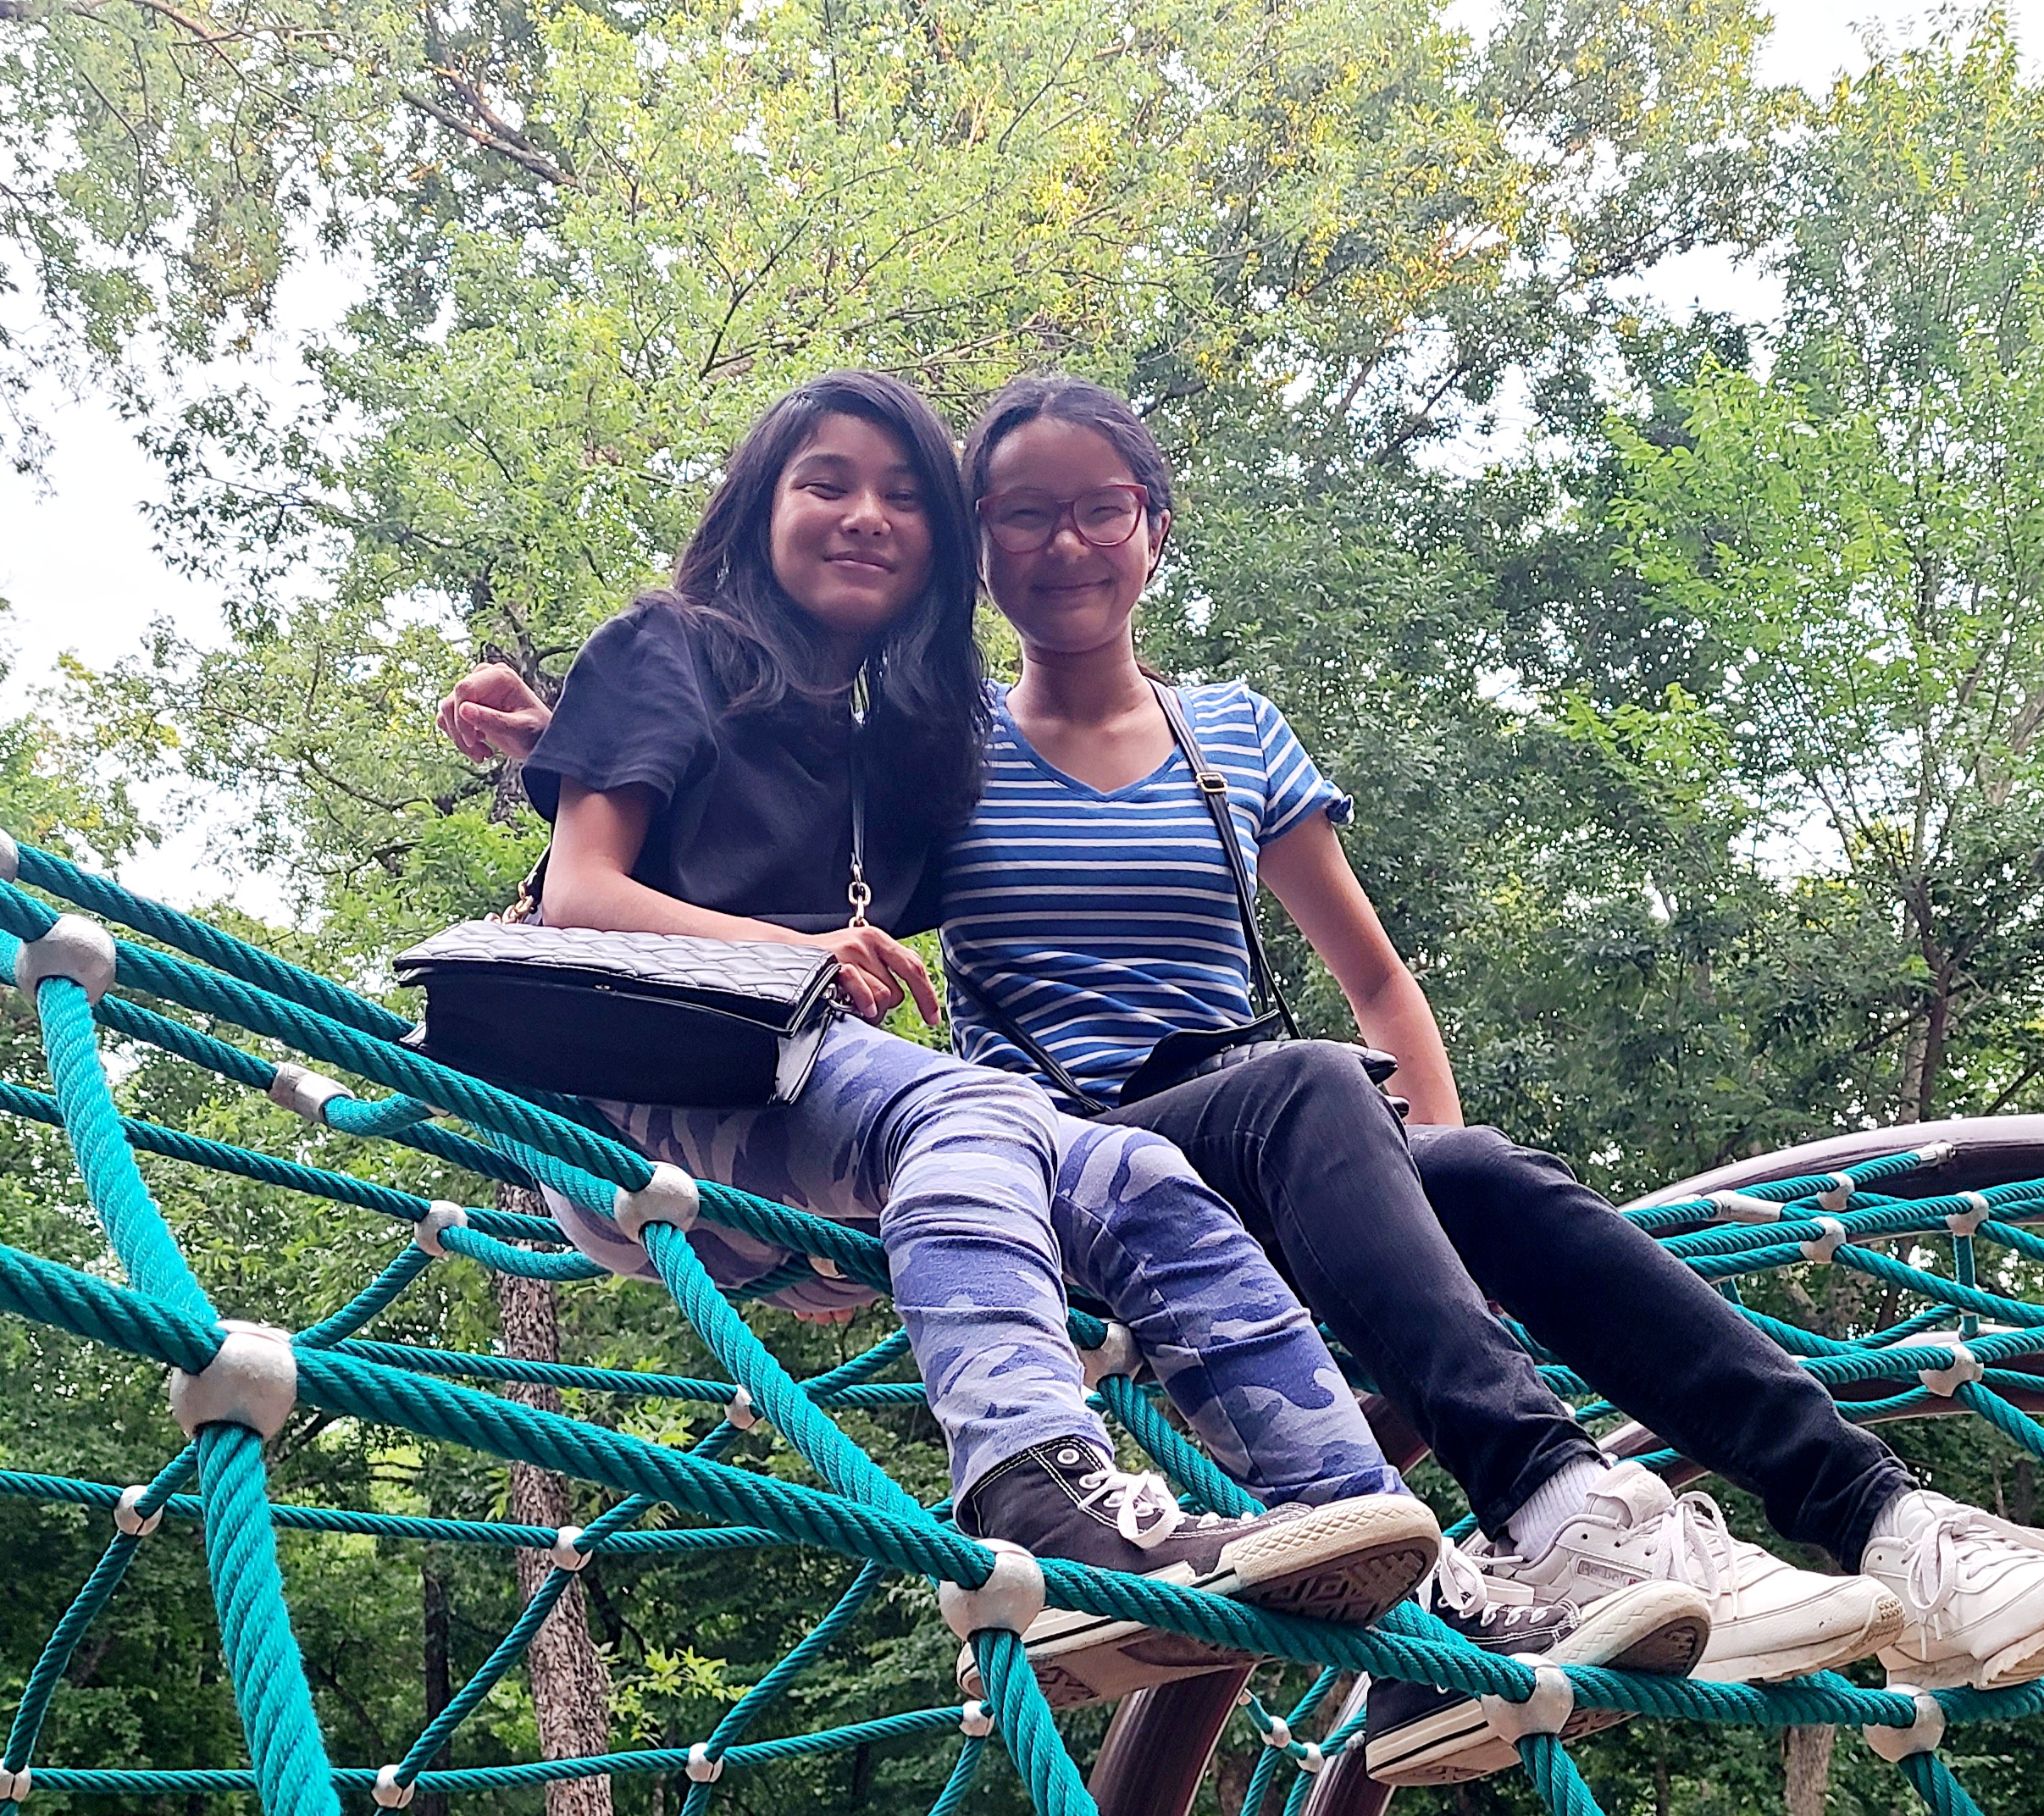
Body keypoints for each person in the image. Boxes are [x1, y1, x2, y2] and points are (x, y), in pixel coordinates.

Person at [445, 374, 2044, 1781]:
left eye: (1098, 507)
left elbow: (1377, 975)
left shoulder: (1227, 734)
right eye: (1021, 515)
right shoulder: (932, 751)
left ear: (1153, 526)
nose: (1063, 541)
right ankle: (1565, 1511)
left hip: (1272, 1121)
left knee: (1471, 1173)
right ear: (982, 560)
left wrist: (1417, 1181)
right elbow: (709, 793)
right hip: (1075, 1133)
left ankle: (1888, 1528)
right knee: (1311, 1091)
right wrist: (561, 742)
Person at [475, 368, 1454, 1712]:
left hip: (792, 1133)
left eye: (903, 497)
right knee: (973, 1106)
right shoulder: (671, 642)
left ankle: (1386, 1579)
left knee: (1138, 1177)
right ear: (760, 505)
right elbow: (585, 894)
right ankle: (1034, 1493)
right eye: (826, 483)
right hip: (639, 1084)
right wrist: (788, 948)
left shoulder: (889, 754)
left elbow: (787, 820)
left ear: (943, 553)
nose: (865, 515)